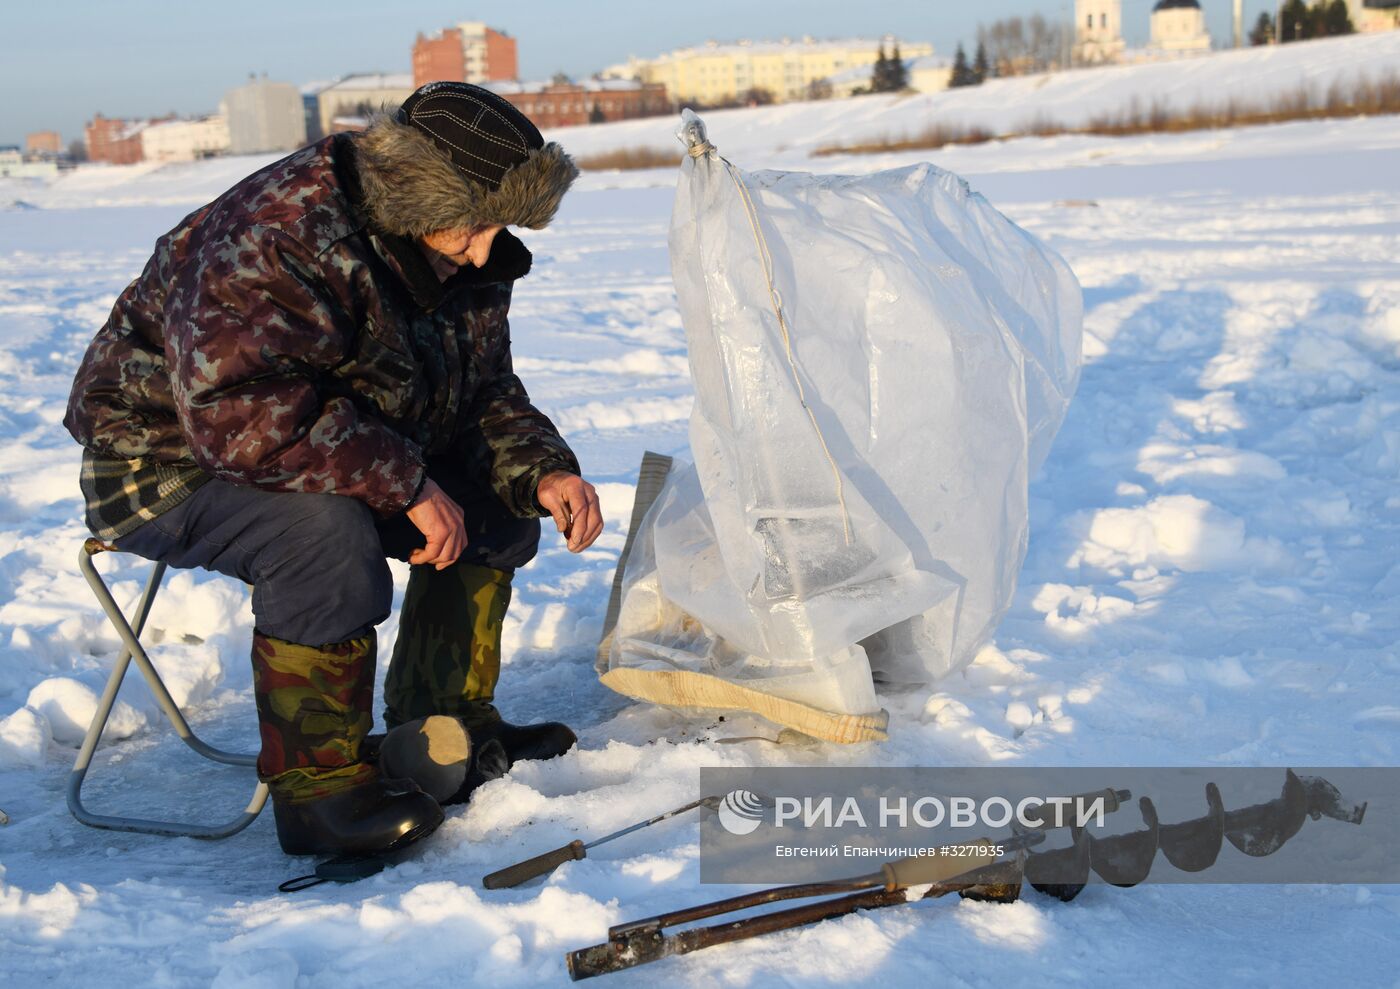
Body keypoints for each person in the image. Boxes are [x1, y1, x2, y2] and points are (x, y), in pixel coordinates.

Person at [63, 82, 603, 858]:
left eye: (500, 226)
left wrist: (545, 469)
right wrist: (405, 483)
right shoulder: (283, 233)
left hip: (325, 439)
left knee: (496, 500)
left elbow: (478, 388)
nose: (487, 249)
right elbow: (232, 410)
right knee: (323, 533)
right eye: (476, 224)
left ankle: (444, 727)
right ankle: (318, 792)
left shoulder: (455, 253)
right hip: (162, 461)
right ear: (420, 193)